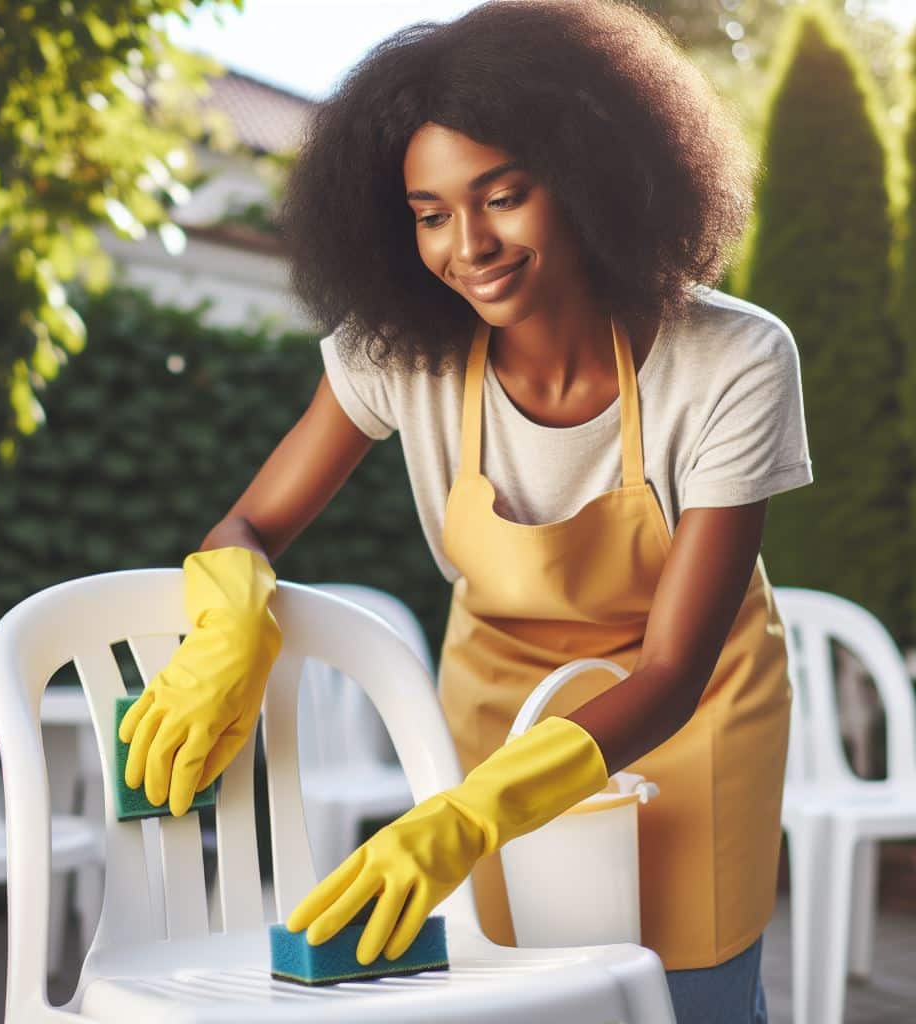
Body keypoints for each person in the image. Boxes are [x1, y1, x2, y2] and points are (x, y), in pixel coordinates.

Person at [116, 1, 814, 1019]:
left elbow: (670, 670)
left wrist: (467, 817)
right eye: (430, 212)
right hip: (494, 716)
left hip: (688, 727)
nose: (468, 243)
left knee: (691, 995)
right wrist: (234, 615)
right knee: (514, 996)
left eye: (503, 196)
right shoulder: (397, 354)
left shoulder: (734, 359)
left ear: (588, 177)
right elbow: (249, 526)